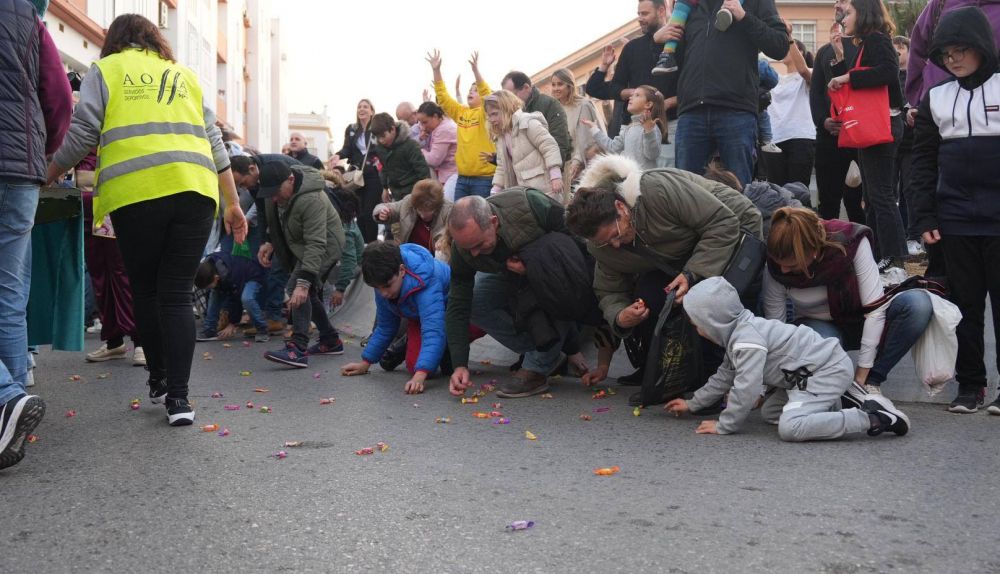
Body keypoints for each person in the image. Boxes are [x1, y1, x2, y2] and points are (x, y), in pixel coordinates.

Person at [48, 14, 246, 427]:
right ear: (155, 39)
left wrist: (45, 175)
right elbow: (215, 143)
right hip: (194, 193)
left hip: (137, 194)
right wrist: (232, 203)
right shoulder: (184, 77)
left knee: (146, 291)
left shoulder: (107, 70)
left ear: (114, 41)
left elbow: (83, 134)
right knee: (175, 294)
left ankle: (157, 377)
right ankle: (180, 399)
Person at [567, 154, 761, 400]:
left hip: (735, 232)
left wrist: (693, 274)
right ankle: (668, 372)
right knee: (649, 294)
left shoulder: (655, 189)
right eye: (606, 242)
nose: (615, 245)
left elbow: (722, 223)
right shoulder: (601, 244)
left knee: (706, 297)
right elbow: (609, 289)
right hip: (680, 256)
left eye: (615, 234)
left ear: (620, 207)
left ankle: (716, 379)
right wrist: (620, 316)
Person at [665, 277, 911, 440]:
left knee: (790, 427)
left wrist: (725, 425)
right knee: (771, 414)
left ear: (714, 321)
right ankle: (834, 405)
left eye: (698, 324)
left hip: (825, 370)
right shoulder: (738, 335)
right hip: (806, 376)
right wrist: (693, 404)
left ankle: (871, 417)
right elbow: (723, 378)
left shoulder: (745, 340)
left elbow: (747, 387)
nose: (697, 330)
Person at [909, 7, 1000, 414]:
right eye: (946, 53)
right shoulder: (936, 98)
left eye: (961, 50)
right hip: (956, 219)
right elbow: (922, 163)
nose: (953, 59)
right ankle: (971, 385)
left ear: (982, 46)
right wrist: (924, 217)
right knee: (963, 308)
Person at [0, 0, 72, 468]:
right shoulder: (28, 16)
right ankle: (15, 406)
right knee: (8, 290)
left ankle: (6, 399)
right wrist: (40, 154)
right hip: (22, 167)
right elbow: (60, 96)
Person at [763, 208, 933, 396]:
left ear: (812, 251)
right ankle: (825, 387)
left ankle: (872, 381)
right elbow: (775, 328)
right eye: (779, 264)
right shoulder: (776, 264)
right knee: (825, 341)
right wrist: (765, 384)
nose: (783, 271)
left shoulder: (851, 241)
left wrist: (861, 375)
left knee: (918, 305)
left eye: (792, 265)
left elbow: (875, 310)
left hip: (860, 315)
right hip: (819, 326)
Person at [445, 192, 575, 399]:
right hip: (509, 276)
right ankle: (543, 351)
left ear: (493, 222)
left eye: (478, 245)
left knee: (552, 283)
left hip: (553, 272)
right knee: (476, 300)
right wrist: (459, 364)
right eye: (467, 248)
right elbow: (458, 304)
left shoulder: (530, 204)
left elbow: (576, 246)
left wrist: (535, 268)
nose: (474, 254)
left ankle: (538, 367)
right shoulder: (464, 248)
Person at [659, 0, 789, 186]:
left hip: (736, 110)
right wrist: (658, 41)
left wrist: (743, 16)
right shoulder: (689, 5)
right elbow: (673, 65)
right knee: (687, 192)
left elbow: (780, 46)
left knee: (739, 192)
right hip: (692, 112)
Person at [828, 0, 908, 269]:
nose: (844, 18)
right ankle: (880, 255)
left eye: (848, 13)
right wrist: (842, 62)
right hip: (876, 125)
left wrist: (848, 77)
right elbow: (863, 79)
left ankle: (894, 258)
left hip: (882, 124)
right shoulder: (867, 43)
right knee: (874, 196)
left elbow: (887, 72)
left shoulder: (876, 39)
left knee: (881, 194)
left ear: (863, 14)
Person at [257, 163, 345, 368]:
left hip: (325, 246)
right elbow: (282, 221)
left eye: (276, 193)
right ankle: (331, 341)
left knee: (297, 288)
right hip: (305, 245)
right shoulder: (281, 192)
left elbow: (317, 243)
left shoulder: (311, 199)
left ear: (290, 180)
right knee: (308, 293)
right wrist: (270, 241)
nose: (274, 199)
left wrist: (304, 282)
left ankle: (298, 349)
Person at [341, 242, 451, 394]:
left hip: (454, 312)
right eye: (378, 288)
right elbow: (386, 326)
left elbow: (433, 329)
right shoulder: (382, 283)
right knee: (415, 366)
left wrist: (420, 376)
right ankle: (413, 345)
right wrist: (365, 363)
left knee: (429, 368)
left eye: (387, 286)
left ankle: (447, 347)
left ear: (401, 270)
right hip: (419, 316)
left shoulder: (427, 280)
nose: (383, 293)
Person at [230, 153, 302, 335]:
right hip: (280, 224)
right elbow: (263, 211)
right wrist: (266, 241)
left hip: (299, 223)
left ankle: (301, 322)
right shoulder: (256, 181)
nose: (243, 188)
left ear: (252, 169)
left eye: (243, 183)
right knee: (276, 269)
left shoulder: (278, 166)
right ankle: (274, 317)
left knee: (299, 274)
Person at [586, 0, 675, 138]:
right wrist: (630, 92)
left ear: (661, 11)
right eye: (638, 14)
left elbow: (691, 85)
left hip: (672, 125)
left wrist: (668, 103)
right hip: (637, 129)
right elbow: (614, 86)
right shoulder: (632, 48)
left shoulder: (678, 41)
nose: (640, 19)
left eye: (644, 14)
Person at [811, 2, 865, 223]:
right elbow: (815, 93)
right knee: (828, 203)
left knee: (858, 202)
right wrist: (823, 121)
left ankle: (865, 251)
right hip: (829, 138)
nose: (836, 4)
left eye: (843, 1)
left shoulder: (867, 47)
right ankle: (828, 253)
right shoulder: (824, 51)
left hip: (861, 138)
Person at [426, 50, 496, 200]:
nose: (471, 92)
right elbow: (443, 97)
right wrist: (436, 70)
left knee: (481, 219)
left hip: (484, 179)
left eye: (475, 90)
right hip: (462, 178)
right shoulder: (461, 112)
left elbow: (487, 94)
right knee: (460, 218)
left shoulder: (486, 113)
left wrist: (475, 71)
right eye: (470, 90)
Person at [485, 91, 564, 202]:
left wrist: (555, 175)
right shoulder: (501, 136)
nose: (492, 119)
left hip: (545, 187)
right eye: (489, 116)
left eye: (495, 114)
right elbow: (502, 165)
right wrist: (496, 188)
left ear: (507, 109)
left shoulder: (527, 123)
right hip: (524, 192)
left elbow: (549, 146)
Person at [761, 38, 816, 187]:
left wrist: (789, 38)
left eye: (787, 47)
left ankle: (801, 212)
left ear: (800, 52)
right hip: (774, 140)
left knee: (798, 191)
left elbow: (803, 70)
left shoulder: (809, 73)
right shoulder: (773, 79)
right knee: (777, 192)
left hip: (800, 137)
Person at [651, 0, 747, 75]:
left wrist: (744, 17)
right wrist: (656, 40)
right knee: (681, 7)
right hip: (693, 90)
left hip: (731, 89)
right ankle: (668, 53)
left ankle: (728, 11)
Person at [332, 99, 381, 242]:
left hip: (373, 175)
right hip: (356, 175)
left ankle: (371, 244)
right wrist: (338, 155)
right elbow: (347, 148)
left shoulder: (377, 129)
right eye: (359, 107)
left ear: (372, 111)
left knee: (369, 212)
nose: (362, 109)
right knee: (358, 212)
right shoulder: (352, 129)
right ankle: (361, 246)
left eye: (365, 107)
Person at [583, 85, 664, 170]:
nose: (631, 97)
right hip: (630, 179)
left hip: (646, 180)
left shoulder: (652, 128)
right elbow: (613, 148)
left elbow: (652, 155)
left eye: (637, 95)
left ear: (648, 104)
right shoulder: (628, 128)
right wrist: (595, 129)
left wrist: (649, 132)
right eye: (632, 95)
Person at [194, 250, 269, 343]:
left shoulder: (231, 276)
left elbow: (236, 299)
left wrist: (232, 324)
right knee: (214, 296)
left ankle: (262, 328)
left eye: (208, 286)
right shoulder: (208, 267)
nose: (207, 289)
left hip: (253, 276)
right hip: (233, 279)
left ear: (216, 278)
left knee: (246, 298)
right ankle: (209, 329)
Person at [892, 35, 922, 257]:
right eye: (895, 49)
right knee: (891, 191)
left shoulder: (918, 76)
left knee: (911, 190)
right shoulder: (889, 77)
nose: (898, 52)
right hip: (891, 142)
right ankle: (899, 235)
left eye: (901, 48)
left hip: (913, 143)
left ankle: (913, 236)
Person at [501, 71, 573, 163]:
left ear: (526, 87)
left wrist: (554, 172)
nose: (509, 100)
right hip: (529, 173)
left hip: (552, 171)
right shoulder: (513, 113)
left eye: (513, 95)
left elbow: (560, 142)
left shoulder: (550, 104)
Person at [549, 68, 601, 192]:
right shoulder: (554, 109)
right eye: (553, 84)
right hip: (565, 168)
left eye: (560, 84)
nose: (556, 88)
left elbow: (587, 139)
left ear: (569, 85)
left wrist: (577, 162)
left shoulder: (583, 105)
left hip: (585, 168)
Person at [374, 178, 453, 255]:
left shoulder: (449, 211)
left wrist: (444, 243)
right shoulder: (408, 202)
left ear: (436, 207)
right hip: (406, 254)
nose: (422, 215)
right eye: (419, 209)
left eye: (426, 211)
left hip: (434, 259)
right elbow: (383, 207)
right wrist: (382, 212)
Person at [370, 112, 431, 201]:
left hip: (415, 191)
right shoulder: (380, 149)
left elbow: (422, 170)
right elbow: (384, 168)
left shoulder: (410, 145)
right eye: (378, 137)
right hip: (396, 193)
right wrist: (385, 188)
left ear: (393, 129)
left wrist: (425, 193)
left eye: (383, 136)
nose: (381, 140)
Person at [324, 179, 365, 311]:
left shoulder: (344, 228)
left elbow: (349, 261)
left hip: (350, 269)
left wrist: (340, 289)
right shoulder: (342, 220)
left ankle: (326, 314)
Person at [415, 101, 458, 185]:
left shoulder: (444, 130)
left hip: (451, 175)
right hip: (448, 174)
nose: (423, 126)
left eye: (425, 122)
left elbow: (433, 160)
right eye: (420, 123)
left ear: (435, 116)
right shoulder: (443, 123)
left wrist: (420, 150)